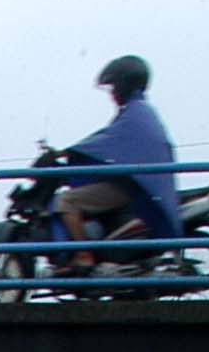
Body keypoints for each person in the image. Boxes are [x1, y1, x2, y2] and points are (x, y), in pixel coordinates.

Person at [53, 56, 180, 273]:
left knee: (66, 201)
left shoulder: (133, 114)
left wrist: (65, 153)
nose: (112, 93)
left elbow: (104, 142)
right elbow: (109, 144)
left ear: (124, 83)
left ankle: (84, 255)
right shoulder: (140, 111)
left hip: (131, 186)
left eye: (113, 86)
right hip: (137, 183)